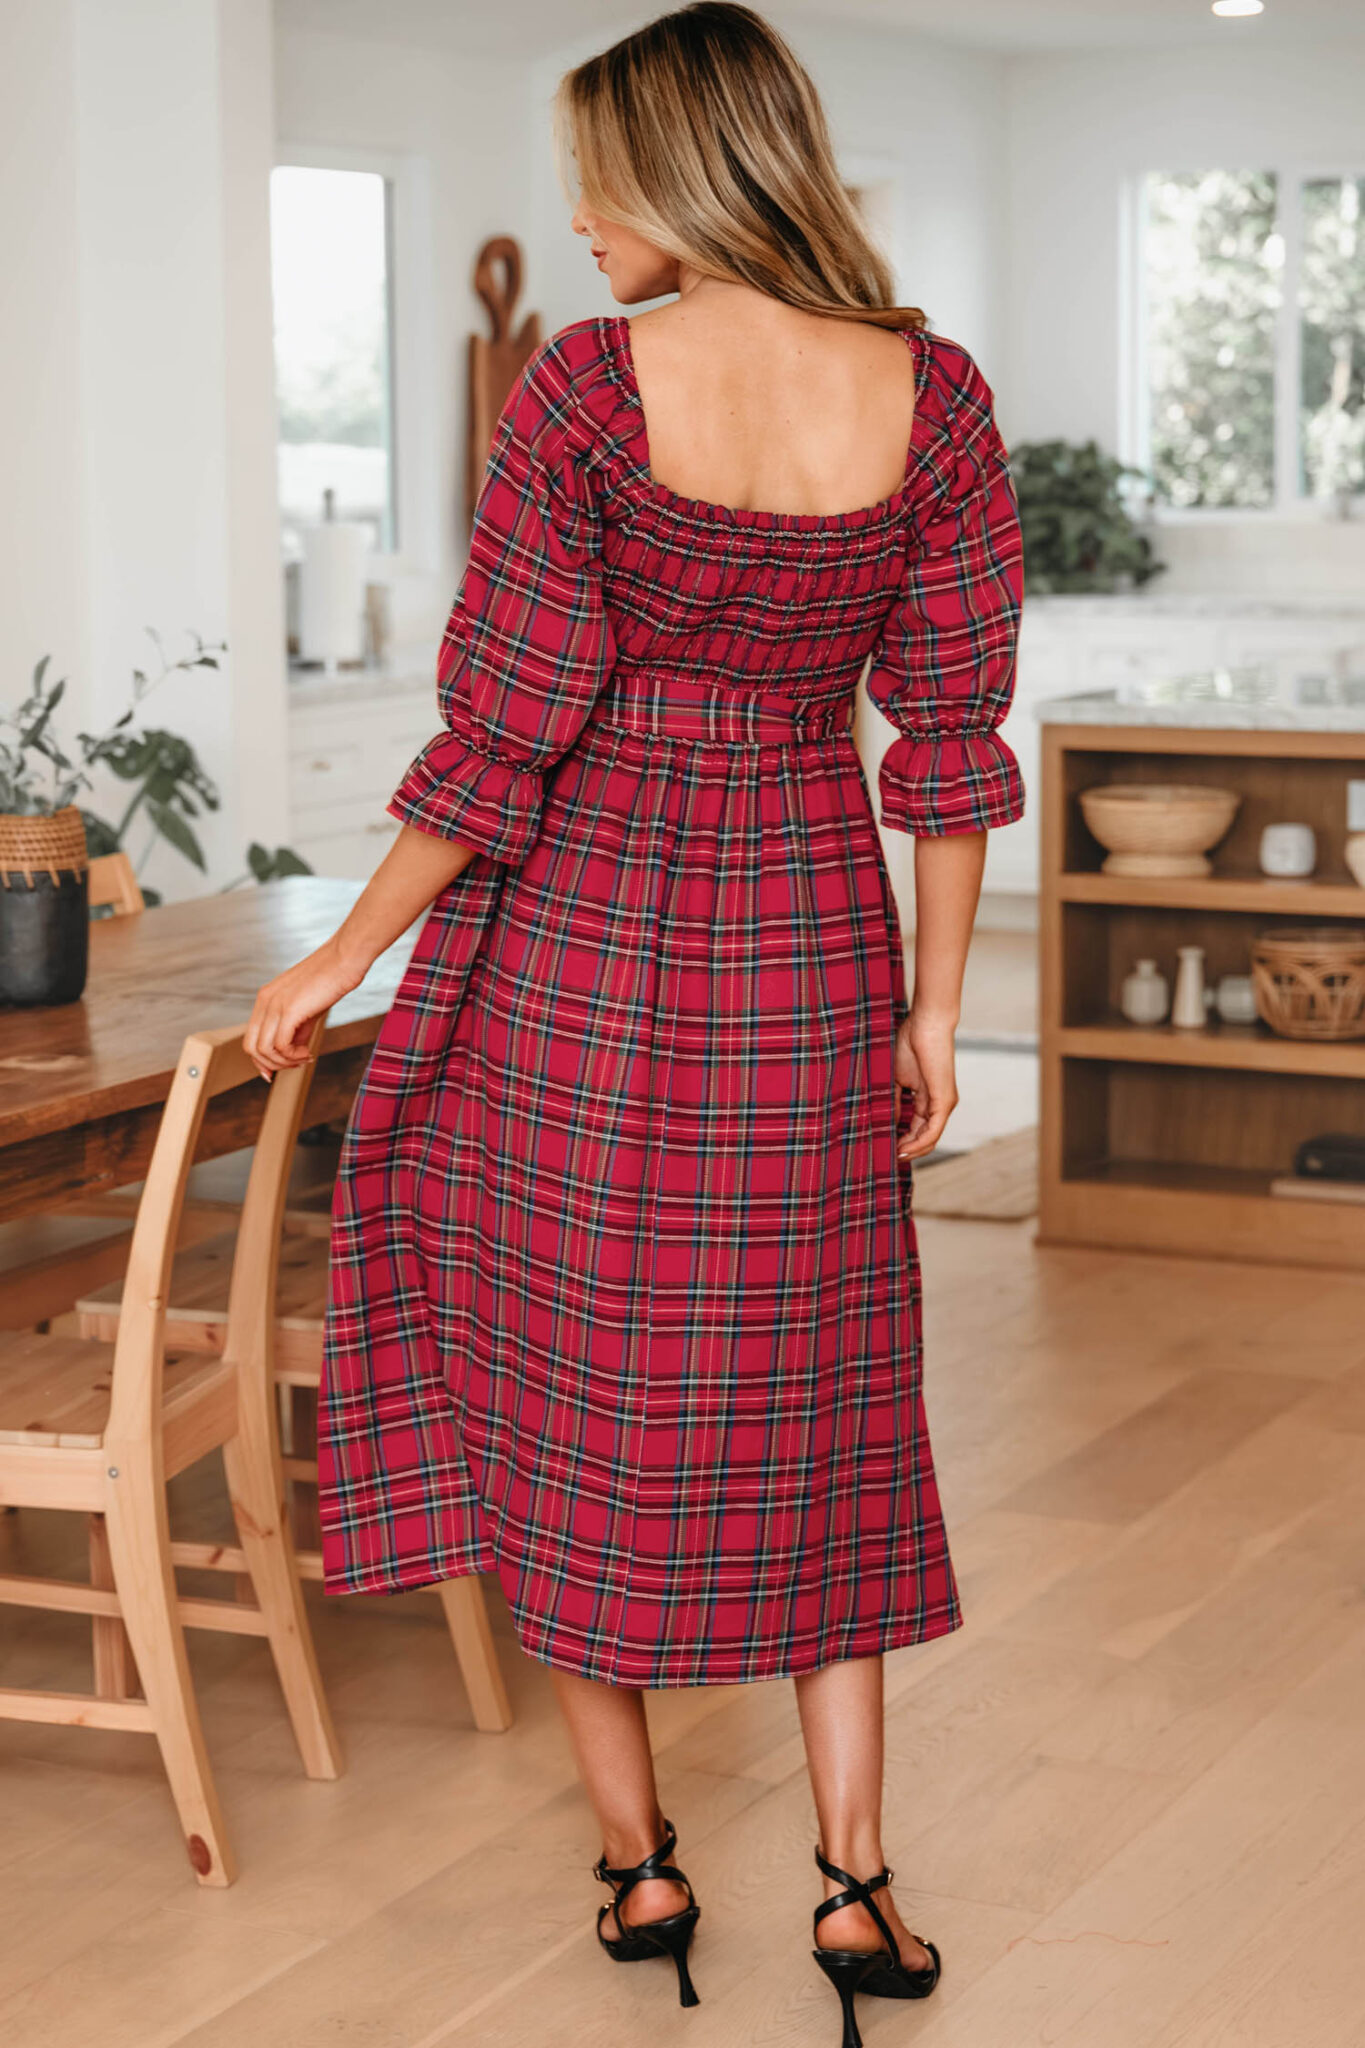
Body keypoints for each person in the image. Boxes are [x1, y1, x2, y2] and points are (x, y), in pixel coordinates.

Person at [245, 4, 1024, 2039]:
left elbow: (502, 737)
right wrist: (935, 1007)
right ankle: (856, 1885)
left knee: (555, 1367)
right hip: (807, 942)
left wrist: (346, 957)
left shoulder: (592, 389)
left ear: (681, 169)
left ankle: (641, 1859)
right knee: (828, 1385)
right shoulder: (933, 396)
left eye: (595, 180)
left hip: (576, 945)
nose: (580, 221)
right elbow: (946, 747)